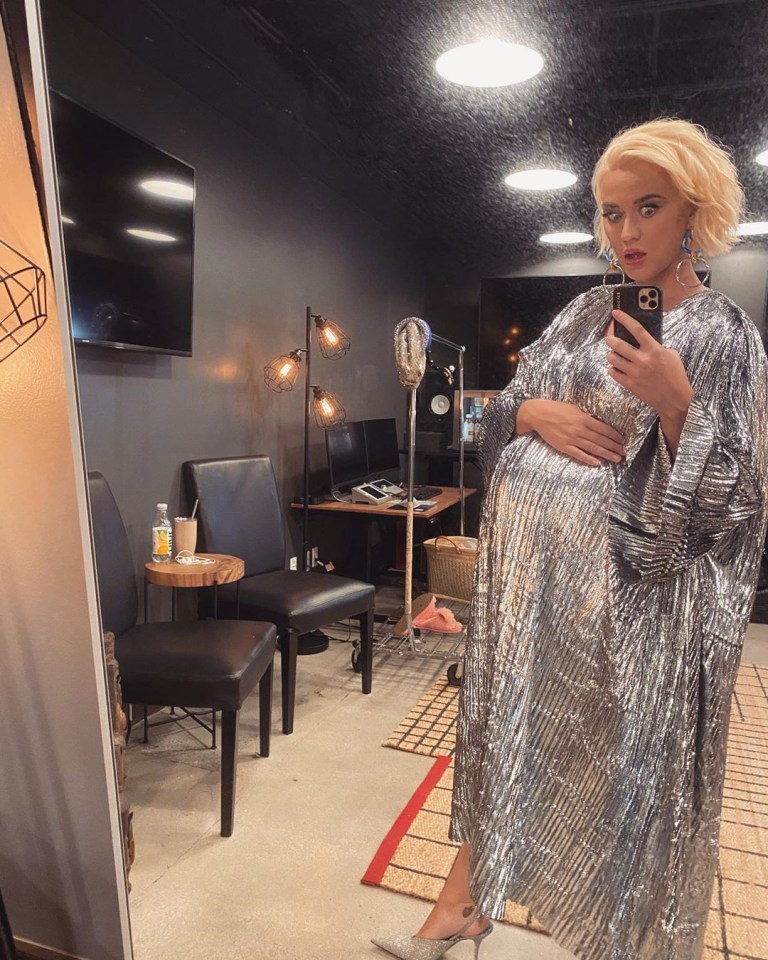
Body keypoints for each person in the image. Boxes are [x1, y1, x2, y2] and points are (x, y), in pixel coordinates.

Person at [373, 117, 768, 960]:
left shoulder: (727, 334)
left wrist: (674, 400)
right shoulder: (586, 312)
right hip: (540, 587)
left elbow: (740, 495)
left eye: (647, 209)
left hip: (635, 609)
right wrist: (527, 411)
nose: (625, 233)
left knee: (622, 770)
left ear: (692, 212)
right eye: (611, 213)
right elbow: (499, 409)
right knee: (509, 729)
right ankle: (461, 905)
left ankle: (624, 940)